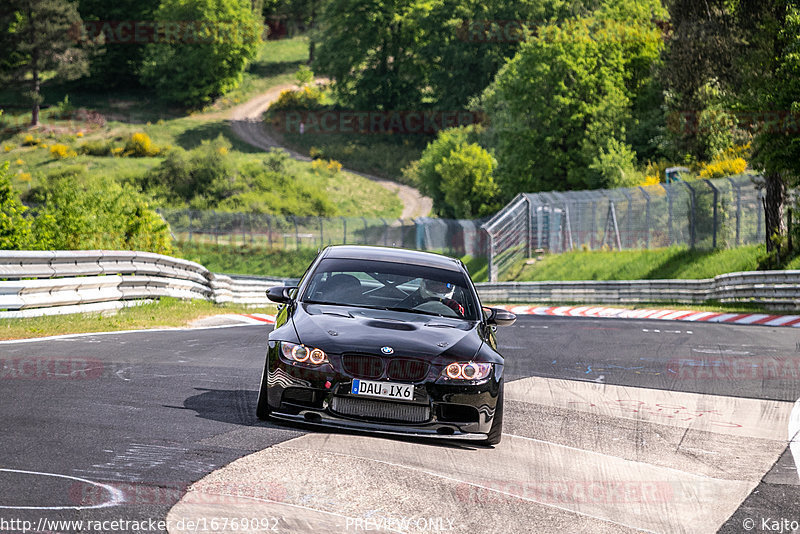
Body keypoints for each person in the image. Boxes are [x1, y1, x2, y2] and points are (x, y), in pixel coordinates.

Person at [400, 278, 464, 316]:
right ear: (425, 284)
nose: (439, 288)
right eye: (434, 283)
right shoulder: (410, 302)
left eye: (444, 284)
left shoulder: (454, 306)